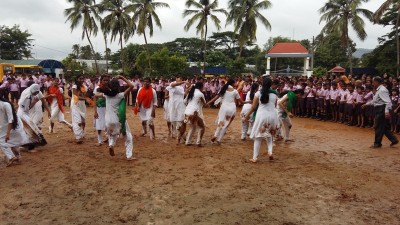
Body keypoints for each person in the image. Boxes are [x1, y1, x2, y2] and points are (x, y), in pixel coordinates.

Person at [95, 75, 135, 160]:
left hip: (108, 120)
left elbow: (96, 95)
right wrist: (121, 77)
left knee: (113, 134)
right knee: (128, 136)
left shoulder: (106, 95)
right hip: (118, 119)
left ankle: (111, 145)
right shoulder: (120, 95)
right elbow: (132, 86)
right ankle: (129, 156)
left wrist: (105, 87)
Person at [244, 77, 280, 162]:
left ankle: (255, 158)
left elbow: (253, 107)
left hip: (261, 115)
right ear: (271, 84)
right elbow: (274, 106)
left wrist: (246, 117)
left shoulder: (258, 93)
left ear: (262, 84)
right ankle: (270, 152)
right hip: (272, 115)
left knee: (258, 136)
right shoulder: (275, 94)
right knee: (270, 134)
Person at [363, 76, 398, 148]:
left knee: (378, 126)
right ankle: (394, 140)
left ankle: (377, 143)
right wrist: (367, 104)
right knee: (383, 127)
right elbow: (375, 101)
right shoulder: (379, 90)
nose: (372, 83)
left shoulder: (382, 90)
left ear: (376, 82)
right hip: (379, 109)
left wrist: (386, 111)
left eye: (373, 82)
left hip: (381, 109)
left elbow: (387, 102)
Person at [207, 79, 244, 145]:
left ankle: (215, 135)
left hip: (224, 107)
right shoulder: (235, 91)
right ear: (233, 83)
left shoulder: (224, 89)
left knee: (221, 122)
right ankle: (219, 140)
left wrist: (208, 102)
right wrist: (249, 102)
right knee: (226, 125)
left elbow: (216, 97)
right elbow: (241, 102)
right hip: (232, 108)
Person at [17, 84, 49, 150]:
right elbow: (27, 108)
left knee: (31, 128)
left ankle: (30, 144)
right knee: (31, 128)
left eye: (37, 92)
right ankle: (28, 145)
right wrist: (35, 102)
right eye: (35, 92)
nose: (36, 93)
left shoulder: (30, 91)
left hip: (24, 112)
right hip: (22, 113)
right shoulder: (27, 96)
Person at [0, 96, 28, 166]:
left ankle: (11, 157)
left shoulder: (5, 105)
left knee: (2, 141)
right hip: (8, 127)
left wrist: (8, 133)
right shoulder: (5, 104)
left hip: (13, 126)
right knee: (14, 142)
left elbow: (10, 120)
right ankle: (17, 157)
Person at [184, 82, 207, 146]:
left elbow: (184, 101)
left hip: (187, 112)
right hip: (194, 113)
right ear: (201, 87)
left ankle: (188, 142)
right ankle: (198, 142)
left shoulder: (191, 93)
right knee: (202, 127)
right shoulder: (200, 94)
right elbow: (205, 104)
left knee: (192, 127)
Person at [167, 76, 187, 144]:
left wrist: (190, 88)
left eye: (181, 79)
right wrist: (184, 82)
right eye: (179, 78)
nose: (180, 80)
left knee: (181, 121)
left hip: (181, 106)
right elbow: (173, 85)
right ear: (176, 79)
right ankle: (182, 137)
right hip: (173, 106)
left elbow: (184, 94)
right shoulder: (173, 83)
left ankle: (181, 137)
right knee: (174, 122)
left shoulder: (181, 87)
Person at [93, 75, 110, 146]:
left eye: (107, 80)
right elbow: (95, 99)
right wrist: (95, 111)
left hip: (108, 109)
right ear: (101, 81)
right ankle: (100, 140)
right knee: (99, 125)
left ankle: (109, 138)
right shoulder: (97, 88)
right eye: (104, 80)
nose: (106, 82)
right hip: (99, 108)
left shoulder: (110, 89)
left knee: (108, 124)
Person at [71, 75, 87, 144]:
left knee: (83, 121)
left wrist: (86, 99)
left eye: (82, 79)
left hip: (82, 105)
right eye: (80, 78)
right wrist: (86, 99)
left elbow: (84, 95)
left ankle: (82, 133)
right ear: (77, 79)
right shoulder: (74, 86)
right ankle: (78, 137)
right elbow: (76, 96)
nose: (81, 80)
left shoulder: (85, 87)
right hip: (75, 104)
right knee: (77, 121)